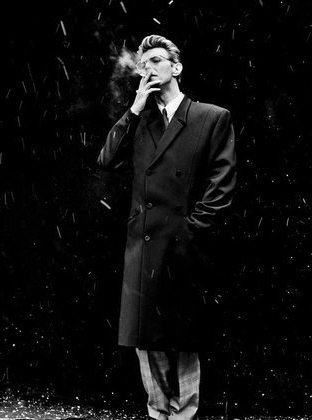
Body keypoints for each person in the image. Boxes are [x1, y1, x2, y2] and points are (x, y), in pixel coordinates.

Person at [98, 34, 237, 420]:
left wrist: (194, 229)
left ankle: (184, 414)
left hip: (184, 242)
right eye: (144, 64)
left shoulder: (211, 117)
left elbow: (222, 183)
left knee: (185, 335)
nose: (148, 67)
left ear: (177, 67)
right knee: (147, 335)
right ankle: (158, 413)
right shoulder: (139, 120)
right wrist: (133, 109)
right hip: (144, 242)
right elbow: (107, 160)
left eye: (157, 60)